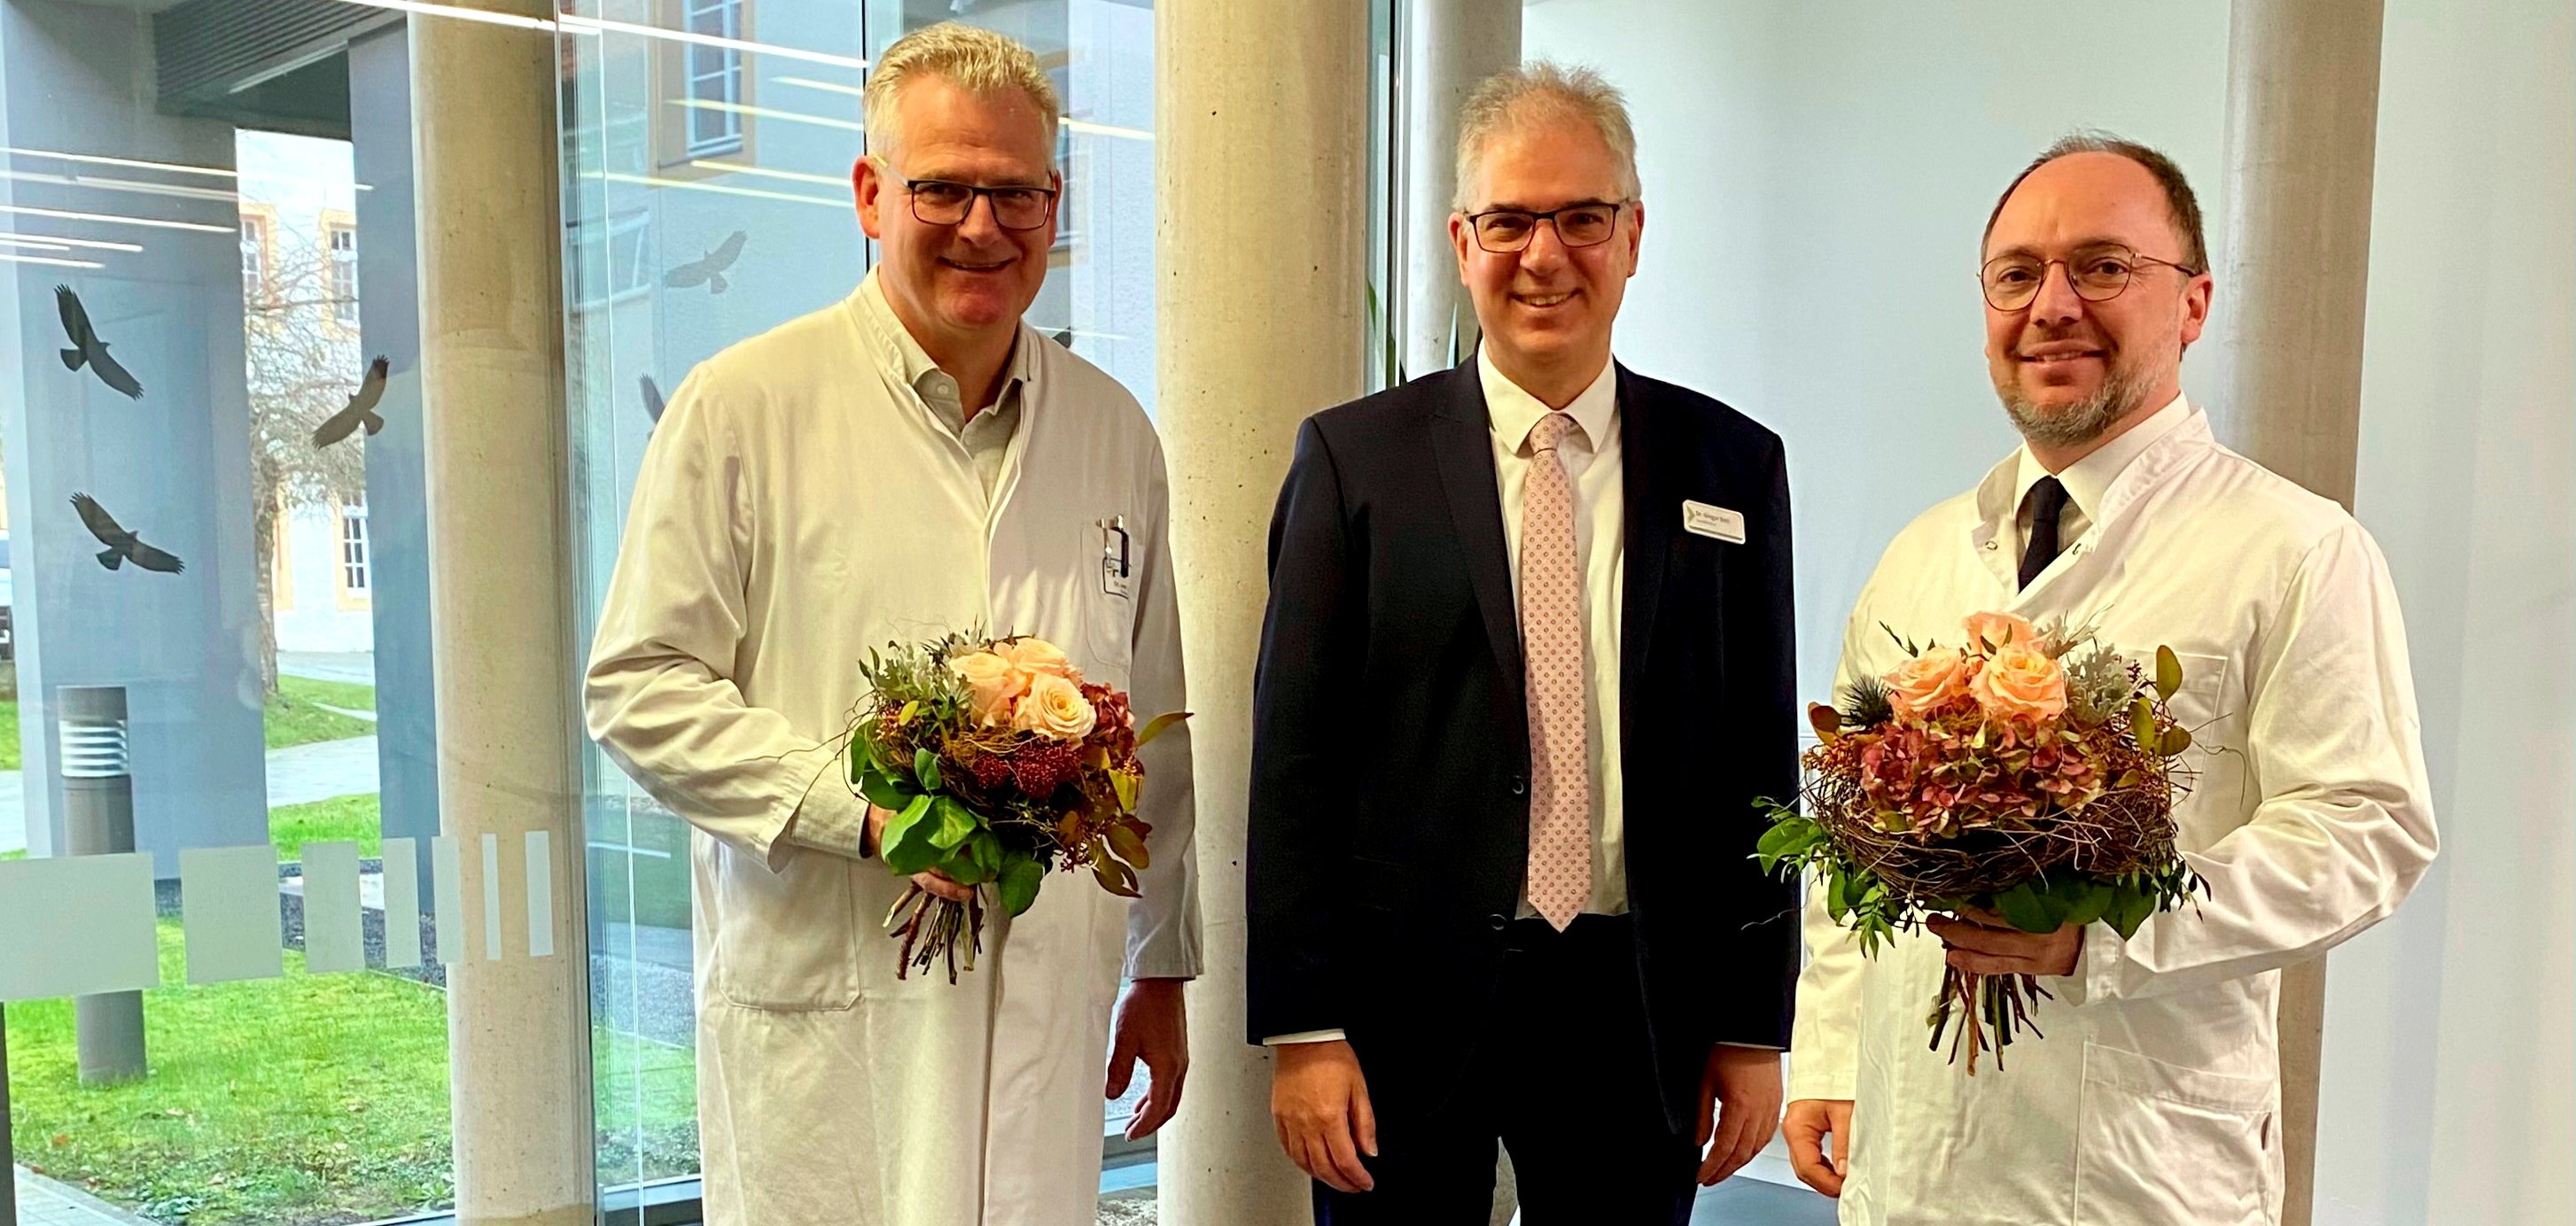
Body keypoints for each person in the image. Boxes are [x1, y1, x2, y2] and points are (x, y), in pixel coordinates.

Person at [583, 24, 1198, 1226]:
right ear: (871, 194)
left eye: (1015, 193)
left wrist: (1162, 960)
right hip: (832, 996)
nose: (982, 226)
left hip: (1046, 1002)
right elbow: (639, 686)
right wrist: (863, 815)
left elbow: (1152, 723)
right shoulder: (743, 408)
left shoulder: (1113, 430)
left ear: (1054, 203)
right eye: (943, 190)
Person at [1782, 134, 2440, 1225]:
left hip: (2138, 1170)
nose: (2052, 306)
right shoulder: (1924, 552)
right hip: (1911, 1163)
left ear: (2193, 304)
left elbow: (2365, 829)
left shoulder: (2295, 547)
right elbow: (1851, 835)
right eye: (2017, 274)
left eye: (2102, 266)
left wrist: (2110, 934)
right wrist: (1831, 1048)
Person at [1247, 62, 1800, 1224]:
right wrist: (1304, 1026)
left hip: (1637, 998)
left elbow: (1757, 761)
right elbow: (1295, 760)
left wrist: (1755, 1024)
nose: (1544, 256)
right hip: (1401, 1004)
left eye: (1581, 218)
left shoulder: (1731, 465)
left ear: (1632, 235)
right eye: (1508, 221)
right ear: (1462, 241)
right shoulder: (1354, 461)